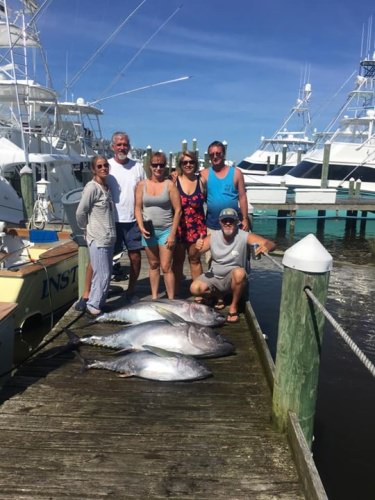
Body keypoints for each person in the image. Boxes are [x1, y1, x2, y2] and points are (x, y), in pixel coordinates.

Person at [190, 207, 275, 323]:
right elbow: (193, 256)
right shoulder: (212, 237)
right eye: (225, 220)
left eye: (231, 220)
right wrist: (196, 247)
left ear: (237, 222)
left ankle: (233, 306)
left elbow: (269, 243)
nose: (228, 223)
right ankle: (219, 295)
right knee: (194, 288)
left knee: (239, 273)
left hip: (233, 277)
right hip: (214, 276)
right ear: (220, 222)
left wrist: (267, 247)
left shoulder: (244, 236)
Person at [135, 151, 182, 300]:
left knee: (166, 266)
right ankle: (154, 297)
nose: (158, 168)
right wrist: (140, 226)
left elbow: (178, 210)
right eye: (155, 165)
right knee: (154, 265)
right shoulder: (142, 185)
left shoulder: (169, 185)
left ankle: (171, 299)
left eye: (161, 165)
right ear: (150, 166)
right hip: (148, 231)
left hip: (166, 231)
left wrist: (172, 234)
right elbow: (137, 208)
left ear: (165, 166)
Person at [106, 131, 146, 302]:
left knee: (135, 257)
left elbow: (146, 190)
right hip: (111, 221)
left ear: (129, 147)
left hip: (133, 220)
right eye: (119, 144)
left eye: (125, 144)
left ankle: (131, 290)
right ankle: (102, 289)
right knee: (105, 258)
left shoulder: (138, 166)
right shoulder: (106, 166)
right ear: (113, 147)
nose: (122, 147)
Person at [76, 156, 116, 316]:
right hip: (98, 238)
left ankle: (98, 301)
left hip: (109, 238)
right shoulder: (92, 188)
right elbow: (80, 211)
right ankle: (93, 305)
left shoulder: (106, 187)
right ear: (94, 169)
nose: (104, 168)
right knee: (103, 273)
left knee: (106, 272)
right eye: (99, 166)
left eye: (106, 165)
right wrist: (85, 228)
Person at [172, 151, 207, 299]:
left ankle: (198, 292)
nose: (188, 165)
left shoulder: (201, 181)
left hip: (197, 228)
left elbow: (209, 201)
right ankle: (176, 292)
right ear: (180, 165)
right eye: (184, 162)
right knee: (178, 261)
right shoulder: (174, 181)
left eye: (191, 162)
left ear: (195, 163)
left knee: (195, 260)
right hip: (179, 227)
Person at [200, 140, 249, 231]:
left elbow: (242, 197)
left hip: (233, 224)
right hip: (212, 226)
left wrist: (245, 219)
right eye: (212, 154)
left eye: (218, 153)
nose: (215, 157)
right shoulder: (204, 174)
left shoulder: (236, 173)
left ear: (224, 154)